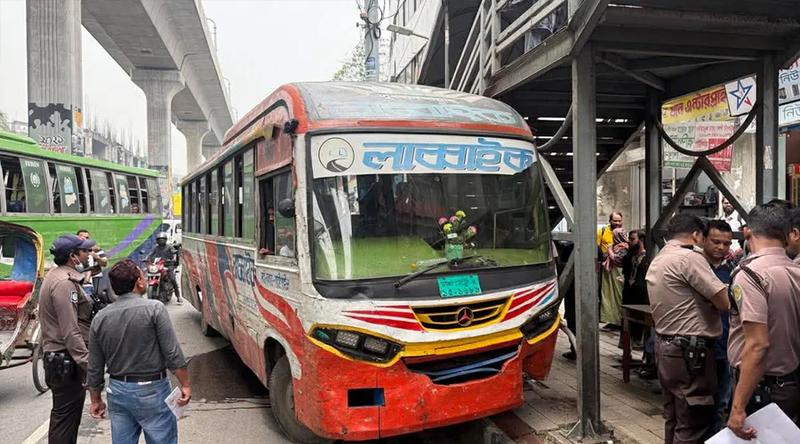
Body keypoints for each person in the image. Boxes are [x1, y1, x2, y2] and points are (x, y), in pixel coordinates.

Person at [646, 214, 729, 444]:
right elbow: (724, 302)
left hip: (667, 349)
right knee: (693, 423)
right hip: (691, 354)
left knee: (674, 417)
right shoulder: (689, 258)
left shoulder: (660, 257)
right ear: (696, 235)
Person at [88, 259, 191, 444]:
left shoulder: (100, 318)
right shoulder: (154, 309)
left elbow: (95, 366)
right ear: (139, 282)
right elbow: (172, 353)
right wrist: (185, 385)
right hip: (153, 389)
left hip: (118, 391)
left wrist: (95, 399)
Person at [726, 206, 800, 439]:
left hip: (761, 390)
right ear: (788, 234)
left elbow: (757, 345)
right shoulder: (795, 270)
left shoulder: (750, 275)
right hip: (789, 384)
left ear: (747, 232)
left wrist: (738, 408)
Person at [38, 234, 97, 443]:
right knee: (65, 420)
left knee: (66, 419)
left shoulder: (57, 275)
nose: (88, 254)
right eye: (85, 251)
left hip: (62, 357)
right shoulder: (64, 284)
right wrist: (88, 363)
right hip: (66, 359)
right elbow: (70, 330)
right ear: (73, 256)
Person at [700, 220, 735, 432]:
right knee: (700, 405)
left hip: (726, 347)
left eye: (726, 244)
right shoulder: (694, 267)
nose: (721, 248)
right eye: (716, 242)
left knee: (722, 404)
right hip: (700, 347)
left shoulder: (731, 271)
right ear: (703, 239)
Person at [600, 228, 628, 329]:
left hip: (618, 276)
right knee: (610, 299)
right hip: (611, 276)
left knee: (618, 298)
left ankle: (618, 321)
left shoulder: (624, 248)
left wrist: (610, 251)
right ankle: (612, 320)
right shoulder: (614, 246)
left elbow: (617, 259)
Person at [147, 232, 181, 303]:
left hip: (169, 265)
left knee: (172, 279)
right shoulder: (156, 248)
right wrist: (147, 258)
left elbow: (173, 251)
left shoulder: (169, 247)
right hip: (159, 265)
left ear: (165, 240)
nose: (161, 241)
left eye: (162, 239)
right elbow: (150, 254)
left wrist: (175, 251)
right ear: (157, 240)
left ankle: (178, 296)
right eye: (159, 239)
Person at [77, 229, 110, 301]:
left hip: (95, 278)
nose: (85, 239)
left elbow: (105, 263)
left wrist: (97, 257)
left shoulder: (96, 249)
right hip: (80, 279)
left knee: (96, 297)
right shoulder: (75, 250)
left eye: (87, 238)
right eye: (82, 237)